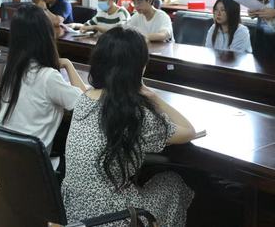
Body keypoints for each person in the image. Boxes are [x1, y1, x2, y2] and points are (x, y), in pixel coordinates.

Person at [62, 27, 195, 226]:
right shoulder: (134, 114)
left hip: (74, 215)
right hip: (114, 219)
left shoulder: (84, 99)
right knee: (173, 182)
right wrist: (152, 96)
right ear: (139, 68)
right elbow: (189, 131)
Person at [0, 4, 86, 157]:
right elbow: (87, 104)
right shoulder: (48, 77)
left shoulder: (10, 69)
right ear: (46, 36)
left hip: (3, 155)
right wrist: (68, 64)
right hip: (32, 164)